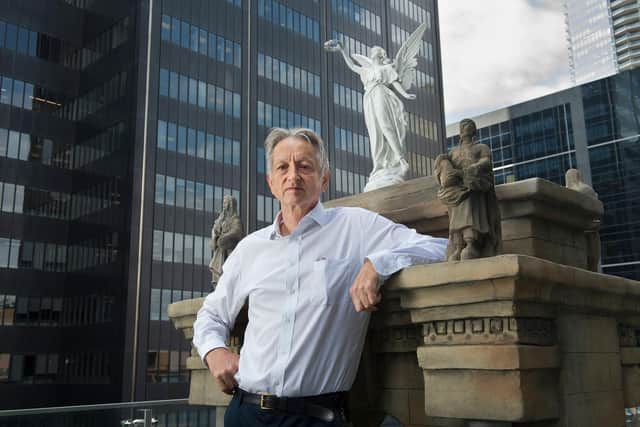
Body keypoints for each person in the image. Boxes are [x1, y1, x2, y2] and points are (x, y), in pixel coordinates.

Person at [193, 128, 447, 426]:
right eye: (283, 167)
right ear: (271, 183)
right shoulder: (250, 249)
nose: (293, 175)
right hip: (245, 412)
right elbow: (211, 313)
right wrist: (215, 352)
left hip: (317, 417)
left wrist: (377, 264)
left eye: (304, 166)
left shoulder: (356, 227)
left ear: (324, 178)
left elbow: (440, 247)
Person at [434, 119, 501, 261]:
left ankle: (472, 243)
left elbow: (486, 161)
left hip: (473, 184)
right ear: (459, 132)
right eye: (463, 127)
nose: (466, 129)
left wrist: (474, 168)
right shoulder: (453, 152)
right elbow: (446, 170)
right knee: (456, 210)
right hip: (456, 187)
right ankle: (458, 245)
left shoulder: (481, 147)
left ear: (474, 131)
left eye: (469, 126)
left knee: (470, 201)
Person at [209, 195, 243, 288]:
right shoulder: (221, 218)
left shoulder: (235, 219)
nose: (224, 205)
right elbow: (215, 228)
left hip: (230, 250)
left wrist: (225, 236)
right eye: (223, 203)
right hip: (220, 250)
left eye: (225, 202)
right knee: (218, 270)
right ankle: (219, 288)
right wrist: (215, 235)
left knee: (229, 271)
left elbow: (237, 231)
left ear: (230, 204)